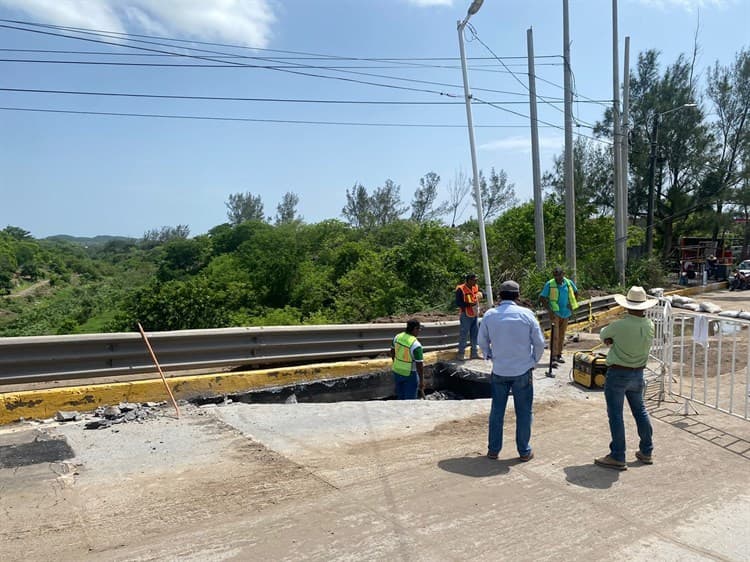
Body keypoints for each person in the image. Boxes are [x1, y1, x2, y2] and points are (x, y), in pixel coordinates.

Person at [478, 280, 545, 461]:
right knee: (524, 412)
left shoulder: (490, 315)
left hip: (499, 370)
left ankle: (493, 450)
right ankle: (524, 451)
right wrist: (533, 361)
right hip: (522, 371)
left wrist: (489, 355)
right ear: (518, 296)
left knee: (497, 411)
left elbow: (482, 341)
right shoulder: (526, 315)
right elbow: (539, 343)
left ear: (499, 296)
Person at [594, 286, 657, 470]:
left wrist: (611, 341)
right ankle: (646, 450)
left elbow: (604, 334)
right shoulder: (649, 325)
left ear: (627, 305)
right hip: (638, 373)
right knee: (640, 411)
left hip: (618, 373)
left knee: (615, 414)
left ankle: (617, 455)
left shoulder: (619, 325)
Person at [539, 267, 578, 366]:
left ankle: (559, 354)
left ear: (563, 274)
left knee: (562, 334)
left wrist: (572, 304)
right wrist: (550, 310)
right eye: (555, 275)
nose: (557, 278)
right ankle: (553, 356)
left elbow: (576, 292)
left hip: (566, 313)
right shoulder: (550, 284)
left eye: (559, 275)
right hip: (555, 313)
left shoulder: (568, 283)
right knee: (555, 335)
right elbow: (542, 297)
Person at [390, 319, 425, 400]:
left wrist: (396, 363)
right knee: (410, 402)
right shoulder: (416, 345)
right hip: (410, 375)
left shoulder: (397, 337)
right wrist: (421, 381)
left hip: (397, 371)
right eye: (419, 329)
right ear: (415, 329)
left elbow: (392, 351)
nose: (419, 331)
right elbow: (419, 366)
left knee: (400, 398)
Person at [455, 273, 483, 360]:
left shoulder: (475, 287)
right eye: (474, 280)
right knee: (464, 334)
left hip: (474, 314)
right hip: (465, 314)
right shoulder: (461, 289)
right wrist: (469, 304)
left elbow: (482, 292)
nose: (476, 281)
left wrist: (481, 294)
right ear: (469, 280)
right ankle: (461, 354)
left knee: (475, 334)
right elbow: (458, 303)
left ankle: (474, 353)